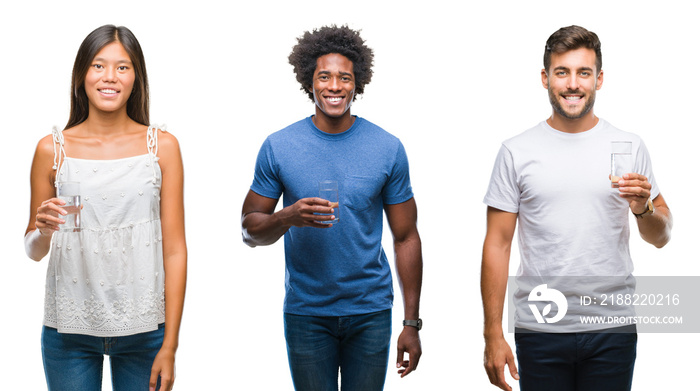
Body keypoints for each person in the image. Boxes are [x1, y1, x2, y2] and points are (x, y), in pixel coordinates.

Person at [480, 25, 672, 391]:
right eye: (562, 72)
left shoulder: (628, 146)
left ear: (599, 79)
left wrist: (642, 207)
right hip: (540, 327)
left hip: (612, 330)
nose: (573, 84)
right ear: (545, 77)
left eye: (583, 72)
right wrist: (492, 332)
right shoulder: (516, 151)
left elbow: (661, 236)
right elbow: (497, 244)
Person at [241, 25, 423, 391]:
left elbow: (406, 237)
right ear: (309, 82)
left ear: (358, 84)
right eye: (325, 76)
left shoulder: (387, 147)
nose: (335, 87)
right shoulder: (279, 146)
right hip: (307, 313)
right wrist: (288, 216)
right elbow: (249, 231)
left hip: (370, 310)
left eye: (344, 78)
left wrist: (411, 323)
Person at [24, 25, 187, 391]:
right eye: (98, 66)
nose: (110, 77)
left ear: (136, 78)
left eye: (123, 67)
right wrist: (43, 229)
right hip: (68, 330)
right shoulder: (52, 150)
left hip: (145, 329)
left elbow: (175, 250)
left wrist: (170, 344)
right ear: (82, 74)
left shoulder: (162, 148)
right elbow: (33, 250)